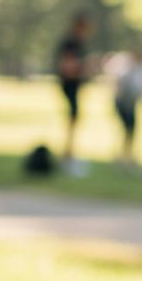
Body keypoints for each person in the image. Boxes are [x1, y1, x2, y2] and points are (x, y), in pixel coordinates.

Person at [54, 13, 92, 175]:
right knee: (72, 118)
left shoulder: (78, 43)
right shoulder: (71, 43)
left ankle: (69, 153)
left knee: (74, 118)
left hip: (75, 86)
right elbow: (67, 67)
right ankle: (67, 155)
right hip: (69, 85)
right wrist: (85, 68)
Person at [106, 48, 142, 172]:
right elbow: (122, 88)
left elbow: (141, 89)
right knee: (126, 129)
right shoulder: (126, 69)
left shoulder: (141, 70)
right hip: (122, 103)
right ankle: (122, 156)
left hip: (130, 104)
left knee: (130, 130)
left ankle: (126, 156)